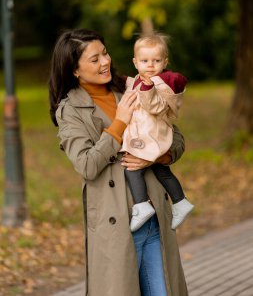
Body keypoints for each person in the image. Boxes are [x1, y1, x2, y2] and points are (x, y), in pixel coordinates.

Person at [49, 28, 188, 296]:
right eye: (94, 59)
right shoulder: (70, 110)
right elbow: (87, 165)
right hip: (116, 226)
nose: (105, 62)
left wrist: (157, 156)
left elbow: (177, 137)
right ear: (74, 70)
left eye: (105, 53)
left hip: (154, 215)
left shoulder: (129, 86)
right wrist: (119, 123)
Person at [121, 33, 194, 232]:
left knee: (131, 168)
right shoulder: (140, 79)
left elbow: (155, 106)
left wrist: (148, 87)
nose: (150, 65)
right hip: (150, 133)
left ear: (165, 62)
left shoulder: (161, 84)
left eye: (156, 61)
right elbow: (131, 84)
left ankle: (141, 204)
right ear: (136, 62)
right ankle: (180, 201)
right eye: (145, 61)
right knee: (161, 170)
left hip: (150, 134)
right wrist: (122, 81)